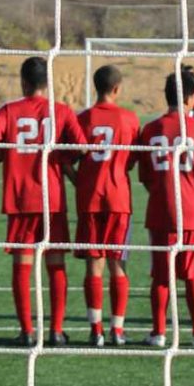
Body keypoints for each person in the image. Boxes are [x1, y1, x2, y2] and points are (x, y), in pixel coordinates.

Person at [0, 57, 86, 346]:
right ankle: (56, 330)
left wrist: (7, 152)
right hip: (52, 199)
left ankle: (27, 331)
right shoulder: (61, 110)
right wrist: (59, 160)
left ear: (23, 82)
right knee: (56, 263)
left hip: (20, 198)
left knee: (22, 266)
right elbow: (81, 146)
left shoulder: (10, 110)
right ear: (47, 83)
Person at [136, 69, 194, 348]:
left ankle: (159, 332)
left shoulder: (150, 129)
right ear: (189, 97)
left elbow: (145, 176)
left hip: (161, 210)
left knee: (161, 276)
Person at [75, 65, 140, 347]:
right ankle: (118, 329)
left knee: (94, 265)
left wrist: (80, 178)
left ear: (95, 87)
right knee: (118, 264)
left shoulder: (83, 118)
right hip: (118, 199)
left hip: (90, 198)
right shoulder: (130, 119)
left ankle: (96, 329)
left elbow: (68, 156)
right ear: (117, 89)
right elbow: (134, 160)